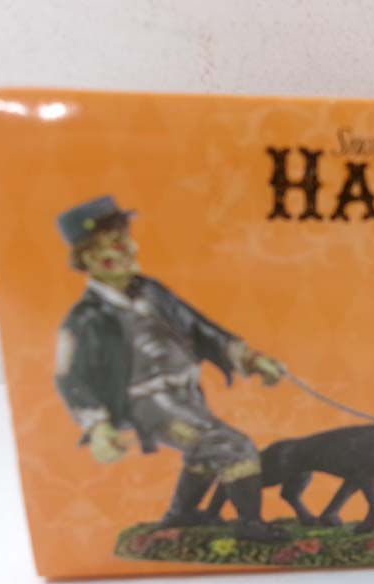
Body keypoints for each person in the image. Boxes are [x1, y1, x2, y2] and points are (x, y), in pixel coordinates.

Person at [54, 195, 287, 542]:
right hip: (147, 404)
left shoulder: (152, 291)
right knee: (232, 446)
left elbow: (200, 328)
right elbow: (70, 378)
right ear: (87, 257)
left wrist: (250, 359)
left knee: (202, 451)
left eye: (125, 239)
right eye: (113, 243)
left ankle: (181, 515)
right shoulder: (84, 318)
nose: (129, 249)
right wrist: (99, 427)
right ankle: (250, 525)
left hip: (185, 395)